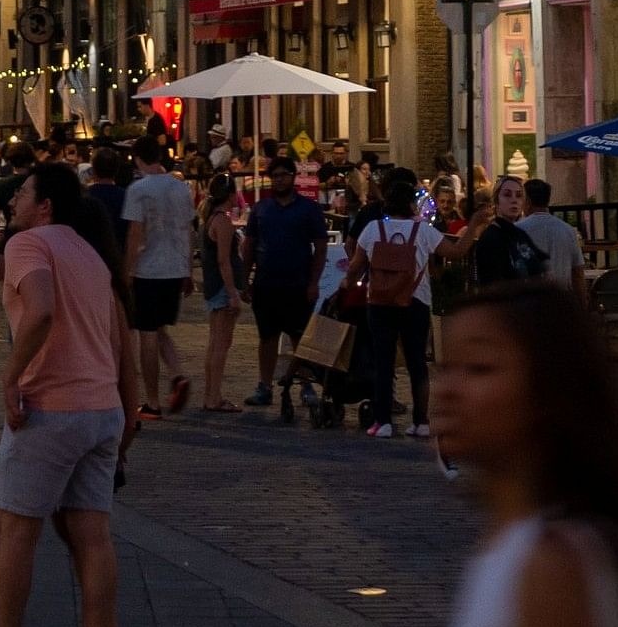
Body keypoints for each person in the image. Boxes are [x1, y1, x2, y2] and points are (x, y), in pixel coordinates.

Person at [434, 281, 618, 627]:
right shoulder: (510, 543)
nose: (446, 389)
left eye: (479, 368)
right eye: (445, 367)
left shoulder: (550, 565)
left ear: (548, 391)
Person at [0, 163, 142, 627]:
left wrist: (11, 375)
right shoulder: (92, 255)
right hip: (102, 412)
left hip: (51, 409)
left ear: (45, 205)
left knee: (16, 533)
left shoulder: (28, 244)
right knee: (93, 537)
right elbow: (120, 348)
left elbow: (43, 308)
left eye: (23, 193)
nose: (13, 201)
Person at [343, 180, 484, 439]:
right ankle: (421, 421)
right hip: (416, 302)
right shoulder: (423, 231)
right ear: (411, 204)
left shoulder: (373, 229)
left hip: (379, 303)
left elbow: (355, 265)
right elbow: (455, 252)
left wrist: (347, 284)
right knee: (417, 363)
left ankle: (383, 421)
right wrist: (473, 225)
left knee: (383, 363)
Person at [239, 156, 329, 410]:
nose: (279, 180)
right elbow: (250, 246)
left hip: (298, 283)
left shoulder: (309, 209)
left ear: (293, 177)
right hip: (267, 283)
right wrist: (245, 280)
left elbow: (320, 248)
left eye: (283, 175)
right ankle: (264, 386)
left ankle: (304, 384)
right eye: (275, 176)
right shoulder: (261, 209)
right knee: (267, 337)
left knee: (300, 338)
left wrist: (314, 282)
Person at [121, 136, 195, 418]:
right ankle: (177, 374)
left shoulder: (138, 189)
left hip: (149, 268)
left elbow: (135, 234)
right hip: (175, 267)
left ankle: (152, 401)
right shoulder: (180, 188)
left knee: (147, 333)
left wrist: (128, 271)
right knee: (161, 327)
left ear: (138, 158)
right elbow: (188, 230)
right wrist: (188, 269)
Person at [198, 172, 246, 413]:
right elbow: (223, 260)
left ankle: (210, 394)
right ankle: (214, 396)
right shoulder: (223, 222)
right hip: (222, 288)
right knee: (221, 343)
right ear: (230, 195)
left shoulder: (210, 220)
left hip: (213, 287)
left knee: (215, 342)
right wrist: (232, 292)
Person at [472, 176, 549, 287]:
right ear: (497, 201)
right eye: (507, 195)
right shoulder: (490, 238)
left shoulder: (520, 234)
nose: (514, 200)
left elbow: (541, 266)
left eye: (519, 195)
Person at [516, 179, 585, 292]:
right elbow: (577, 273)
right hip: (561, 299)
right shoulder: (567, 230)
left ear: (527, 201)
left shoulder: (517, 230)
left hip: (529, 301)